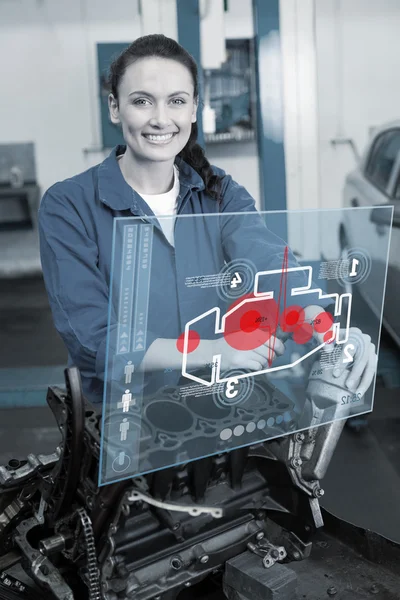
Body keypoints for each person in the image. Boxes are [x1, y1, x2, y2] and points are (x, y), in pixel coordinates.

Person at [38, 34, 376, 408]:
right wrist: (213, 350)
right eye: (142, 101)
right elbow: (93, 340)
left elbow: (271, 267)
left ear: (195, 108)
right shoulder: (69, 205)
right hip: (120, 420)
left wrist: (330, 331)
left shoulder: (219, 192)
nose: (161, 119)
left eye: (177, 101)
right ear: (115, 108)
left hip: (212, 407)